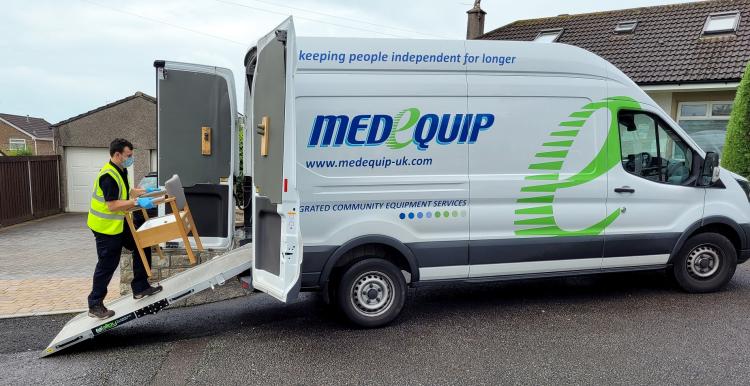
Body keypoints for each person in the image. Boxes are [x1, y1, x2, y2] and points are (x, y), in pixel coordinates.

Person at [86, 138, 163, 319]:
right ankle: (95, 305)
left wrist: (149, 191)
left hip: (120, 224)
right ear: (117, 154)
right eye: (128, 155)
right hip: (105, 228)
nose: (131, 158)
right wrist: (136, 202)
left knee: (142, 243)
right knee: (107, 265)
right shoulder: (107, 176)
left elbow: (127, 192)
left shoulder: (121, 170)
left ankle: (140, 287)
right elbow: (112, 205)